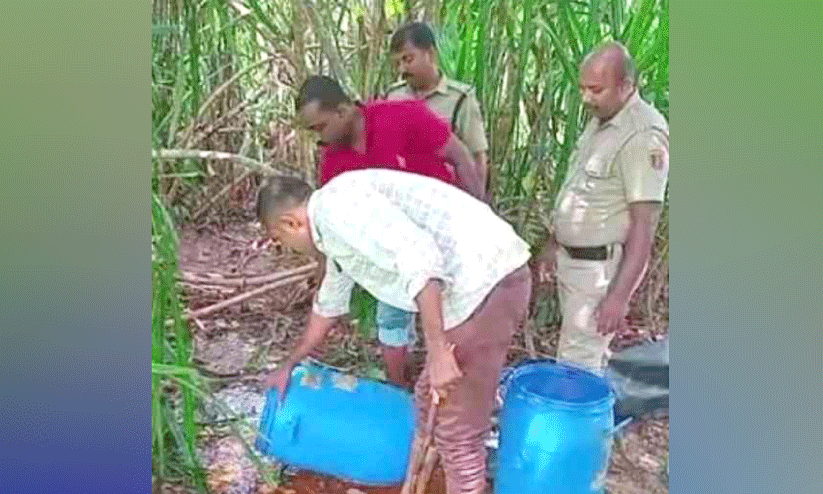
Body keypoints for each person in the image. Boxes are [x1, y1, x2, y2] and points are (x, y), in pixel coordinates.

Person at [258, 169, 531, 494]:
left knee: (458, 434)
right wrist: (292, 362)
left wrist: (439, 352)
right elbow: (328, 304)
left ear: (291, 223)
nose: (287, 247)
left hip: (483, 286)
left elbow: (421, 261)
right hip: (477, 290)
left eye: (279, 237)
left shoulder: (339, 210)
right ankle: (421, 482)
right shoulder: (335, 227)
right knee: (426, 403)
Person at [295, 74, 483, 388]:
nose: (320, 140)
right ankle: (402, 393)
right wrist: (325, 281)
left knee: (459, 320)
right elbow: (334, 231)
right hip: (395, 255)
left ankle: (457, 390)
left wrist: (479, 214)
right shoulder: (333, 164)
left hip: (445, 236)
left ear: (342, 111)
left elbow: (460, 156)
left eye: (320, 128)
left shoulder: (402, 116)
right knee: (392, 322)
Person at [534, 42, 669, 374]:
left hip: (597, 272)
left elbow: (644, 226)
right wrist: (555, 243)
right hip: (573, 263)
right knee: (584, 358)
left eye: (596, 89)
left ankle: (580, 427)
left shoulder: (642, 135)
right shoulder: (604, 119)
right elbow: (581, 190)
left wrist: (619, 297)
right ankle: (589, 422)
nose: (586, 98)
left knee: (577, 366)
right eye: (582, 89)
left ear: (626, 86)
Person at [383, 21, 489, 192]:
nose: (402, 69)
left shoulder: (460, 99)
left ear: (430, 54)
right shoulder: (393, 97)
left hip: (447, 196)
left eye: (408, 59)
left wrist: (476, 202)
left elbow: (477, 157)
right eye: (397, 63)